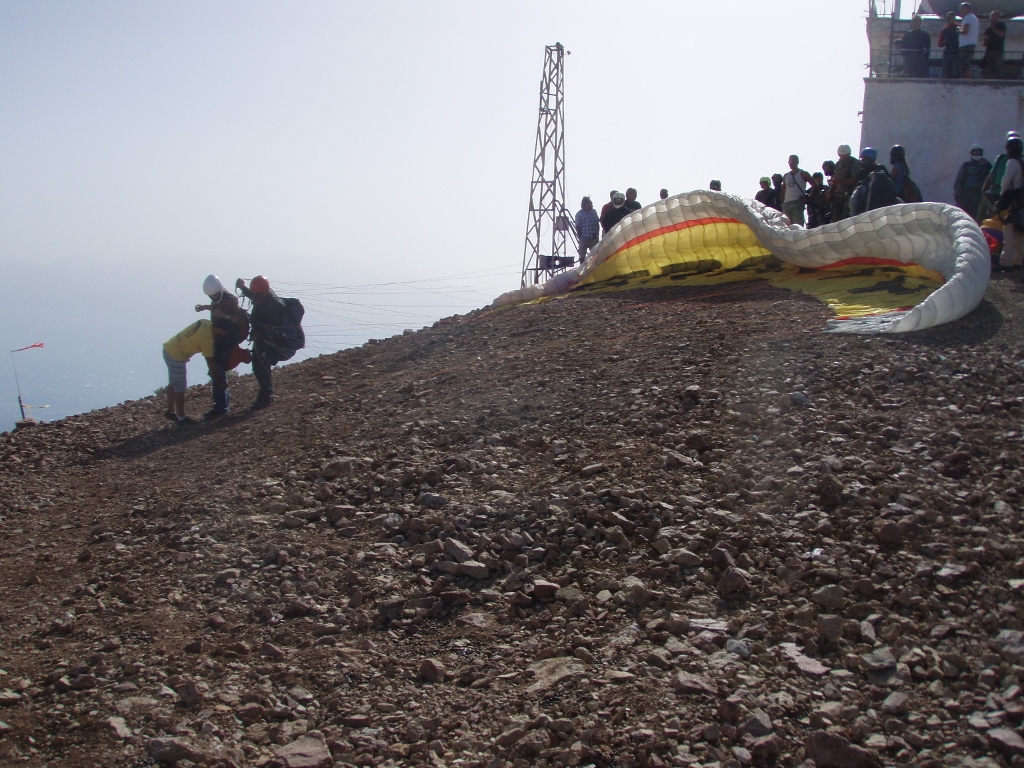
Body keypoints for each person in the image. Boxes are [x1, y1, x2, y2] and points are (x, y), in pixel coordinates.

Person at [162, 318, 235, 424]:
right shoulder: (207, 338)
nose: (223, 334)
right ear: (219, 328)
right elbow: (210, 362)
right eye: (224, 331)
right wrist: (219, 381)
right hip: (176, 355)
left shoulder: (205, 322)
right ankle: (181, 418)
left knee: (173, 383)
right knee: (180, 387)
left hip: (169, 348)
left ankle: (170, 411)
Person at [236, 275, 287, 410]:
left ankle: (266, 397)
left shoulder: (274, 305)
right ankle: (264, 395)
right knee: (258, 367)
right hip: (261, 340)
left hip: (268, 342)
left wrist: (255, 327)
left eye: (258, 294)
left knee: (262, 368)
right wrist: (242, 287)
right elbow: (254, 296)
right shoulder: (262, 296)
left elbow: (271, 326)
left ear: (264, 292)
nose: (256, 296)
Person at [194, 274, 249, 347]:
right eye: (212, 296)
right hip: (223, 333)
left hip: (237, 332)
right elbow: (216, 308)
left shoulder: (230, 300)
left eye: (216, 294)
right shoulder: (217, 300)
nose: (214, 297)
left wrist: (223, 315)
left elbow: (240, 319)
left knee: (218, 347)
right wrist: (204, 307)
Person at [996, 136, 1024, 272]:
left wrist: (1002, 198)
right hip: (1022, 200)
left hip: (1014, 199)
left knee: (1009, 230)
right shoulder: (1022, 161)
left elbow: (1006, 181)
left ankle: (1006, 261)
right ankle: (1018, 261)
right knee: (1020, 232)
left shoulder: (1012, 162)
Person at [850, 148, 899, 215]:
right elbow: (859, 185)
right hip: (865, 193)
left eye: (865, 159)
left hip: (879, 193)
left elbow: (888, 182)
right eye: (862, 159)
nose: (863, 161)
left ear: (871, 159)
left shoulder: (880, 168)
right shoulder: (862, 171)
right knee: (853, 200)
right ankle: (853, 216)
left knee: (898, 202)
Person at [954, 144, 992, 223]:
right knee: (964, 218)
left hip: (979, 197)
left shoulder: (987, 166)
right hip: (966, 197)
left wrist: (982, 186)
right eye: (975, 152)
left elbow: (990, 180)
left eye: (978, 152)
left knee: (978, 218)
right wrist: (958, 196)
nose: (977, 154)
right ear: (971, 153)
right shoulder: (966, 166)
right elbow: (959, 181)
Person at [781, 155, 815, 226]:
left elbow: (815, 186)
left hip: (797, 202)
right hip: (786, 203)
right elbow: (783, 189)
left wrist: (809, 198)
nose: (791, 163)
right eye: (789, 161)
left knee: (798, 226)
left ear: (797, 162)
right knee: (786, 226)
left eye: (793, 161)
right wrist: (782, 202)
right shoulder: (786, 176)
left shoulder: (803, 173)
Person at [829, 146, 861, 222]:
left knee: (847, 216)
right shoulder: (838, 164)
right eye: (841, 155)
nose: (843, 157)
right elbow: (835, 178)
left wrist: (839, 181)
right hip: (839, 195)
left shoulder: (854, 163)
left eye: (844, 155)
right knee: (836, 217)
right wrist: (830, 192)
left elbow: (855, 179)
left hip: (850, 194)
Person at [982, 10, 1006, 79]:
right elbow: (984, 43)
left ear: (998, 17)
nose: (993, 17)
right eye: (992, 15)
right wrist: (985, 40)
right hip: (989, 51)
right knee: (988, 70)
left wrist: (993, 27)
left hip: (998, 51)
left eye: (995, 15)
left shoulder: (1001, 25)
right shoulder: (988, 29)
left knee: (998, 69)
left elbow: (1000, 34)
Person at [574, 196, 600, 262]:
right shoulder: (579, 214)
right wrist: (580, 237)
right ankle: (582, 266)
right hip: (584, 237)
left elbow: (597, 222)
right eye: (589, 202)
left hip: (593, 237)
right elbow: (577, 226)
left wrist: (597, 233)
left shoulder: (594, 212)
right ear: (585, 204)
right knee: (582, 255)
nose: (591, 203)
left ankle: (595, 266)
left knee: (596, 254)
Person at [958, 2, 979, 78]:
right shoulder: (973, 18)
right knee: (966, 63)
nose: (960, 11)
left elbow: (965, 31)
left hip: (966, 44)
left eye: (962, 9)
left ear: (967, 9)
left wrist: (958, 29)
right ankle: (967, 78)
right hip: (970, 43)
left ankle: (967, 79)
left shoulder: (968, 17)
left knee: (965, 64)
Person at [938, 11, 961, 79]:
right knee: (946, 72)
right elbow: (939, 44)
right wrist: (944, 42)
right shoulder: (944, 30)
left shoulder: (959, 28)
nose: (948, 19)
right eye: (947, 18)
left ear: (954, 18)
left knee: (956, 71)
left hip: (957, 53)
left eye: (950, 18)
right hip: (947, 53)